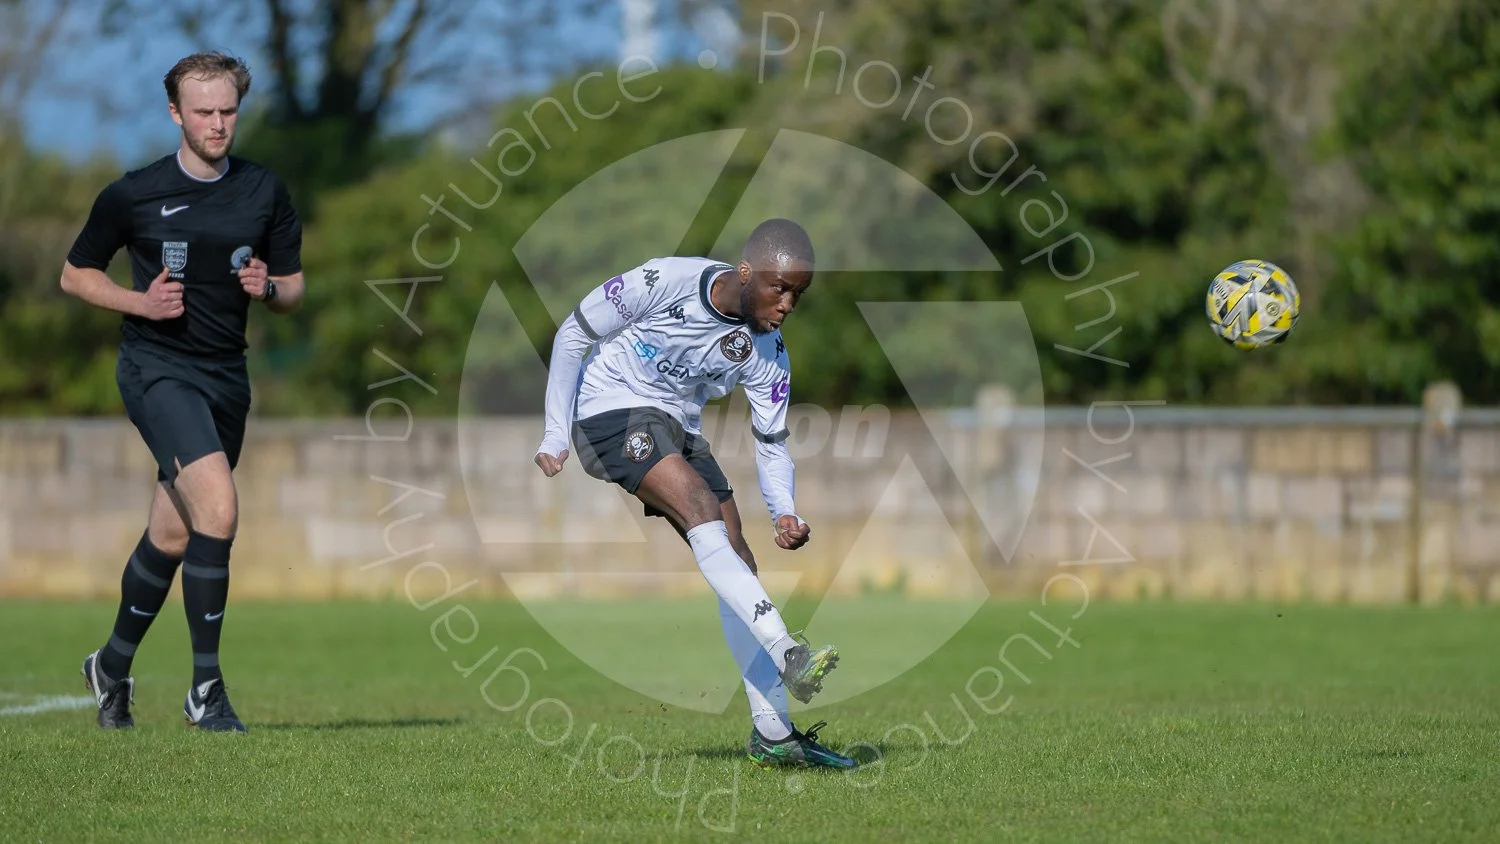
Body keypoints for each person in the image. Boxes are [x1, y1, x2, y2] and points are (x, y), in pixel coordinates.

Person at [533, 218, 857, 769]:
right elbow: (573, 333)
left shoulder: (768, 352)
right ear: (746, 271)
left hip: (675, 427)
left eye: (797, 295)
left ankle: (774, 735)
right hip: (607, 411)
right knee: (701, 505)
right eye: (779, 288)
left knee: (740, 557)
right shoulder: (664, 280)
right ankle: (788, 651)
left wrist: (785, 512)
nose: (786, 305)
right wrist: (553, 433)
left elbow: (772, 439)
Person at [59, 51, 305, 732]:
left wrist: (271, 288)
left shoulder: (264, 190)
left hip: (227, 376)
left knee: (173, 531)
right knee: (219, 510)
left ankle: (109, 665)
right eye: (204, 111)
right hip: (157, 370)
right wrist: (139, 304)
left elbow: (293, 286)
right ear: (176, 113)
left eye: (228, 110)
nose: (218, 123)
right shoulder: (132, 194)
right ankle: (205, 691)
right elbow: (75, 275)